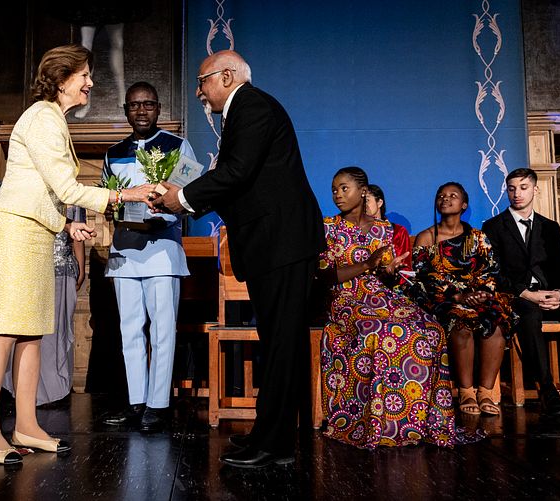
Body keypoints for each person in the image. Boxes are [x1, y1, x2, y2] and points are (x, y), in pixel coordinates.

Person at [0, 44, 154, 465]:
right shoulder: (42, 117)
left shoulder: (52, 119)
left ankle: (27, 425)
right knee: (3, 329)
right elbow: (68, 189)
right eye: (85, 74)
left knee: (33, 331)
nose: (91, 82)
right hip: (15, 230)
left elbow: (44, 188)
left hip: (36, 229)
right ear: (61, 77)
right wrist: (126, 194)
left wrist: (67, 224)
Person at [153, 50, 325, 468]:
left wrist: (183, 198)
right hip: (272, 244)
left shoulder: (252, 106)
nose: (198, 92)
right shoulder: (245, 110)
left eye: (202, 81)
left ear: (227, 76)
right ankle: (268, 437)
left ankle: (278, 445)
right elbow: (240, 179)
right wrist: (182, 199)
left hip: (283, 243)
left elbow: (238, 172)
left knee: (283, 344)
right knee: (275, 343)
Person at [319, 167, 479, 448]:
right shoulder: (328, 227)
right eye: (334, 190)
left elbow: (385, 276)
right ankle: (378, 422)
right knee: (382, 331)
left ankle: (417, 422)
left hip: (383, 296)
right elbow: (325, 275)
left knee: (428, 329)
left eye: (344, 188)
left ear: (363, 191)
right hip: (347, 299)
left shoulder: (384, 229)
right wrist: (368, 264)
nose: (338, 195)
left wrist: (389, 270)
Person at [101, 82, 195, 433]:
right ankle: (136, 402)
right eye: (134, 106)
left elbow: (187, 196)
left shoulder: (178, 145)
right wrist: (115, 213)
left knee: (163, 332)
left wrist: (164, 215)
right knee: (129, 332)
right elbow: (106, 198)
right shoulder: (114, 153)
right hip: (124, 251)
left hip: (163, 252)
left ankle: (158, 405)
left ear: (158, 108)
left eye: (148, 105)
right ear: (125, 110)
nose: (141, 111)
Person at [412, 182, 515, 416]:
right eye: (441, 195)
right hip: (441, 299)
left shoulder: (478, 238)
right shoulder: (426, 237)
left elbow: (491, 271)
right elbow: (423, 277)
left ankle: (486, 392)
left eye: (453, 195)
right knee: (462, 322)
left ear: (464, 204)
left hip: (476, 296)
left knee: (495, 320)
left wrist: (480, 294)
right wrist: (458, 295)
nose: (445, 199)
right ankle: (466, 391)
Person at [482, 168, 560, 416]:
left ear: (535, 190)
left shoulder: (550, 227)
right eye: (511, 188)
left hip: (550, 293)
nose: (517, 193)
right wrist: (525, 293)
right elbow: (493, 272)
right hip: (516, 296)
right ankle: (547, 390)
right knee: (529, 316)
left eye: (523, 187)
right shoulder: (493, 227)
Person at [3, 206, 86, 406]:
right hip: (31, 265)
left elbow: (78, 237)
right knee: (30, 332)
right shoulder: (32, 189)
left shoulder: (73, 196)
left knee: (56, 331)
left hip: (62, 266)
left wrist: (81, 267)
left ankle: (55, 389)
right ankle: (23, 390)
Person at [365, 184, 411, 270]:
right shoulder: (354, 231)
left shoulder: (398, 232)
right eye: (359, 202)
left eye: (367, 200)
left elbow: (405, 268)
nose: (363, 205)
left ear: (379, 203)